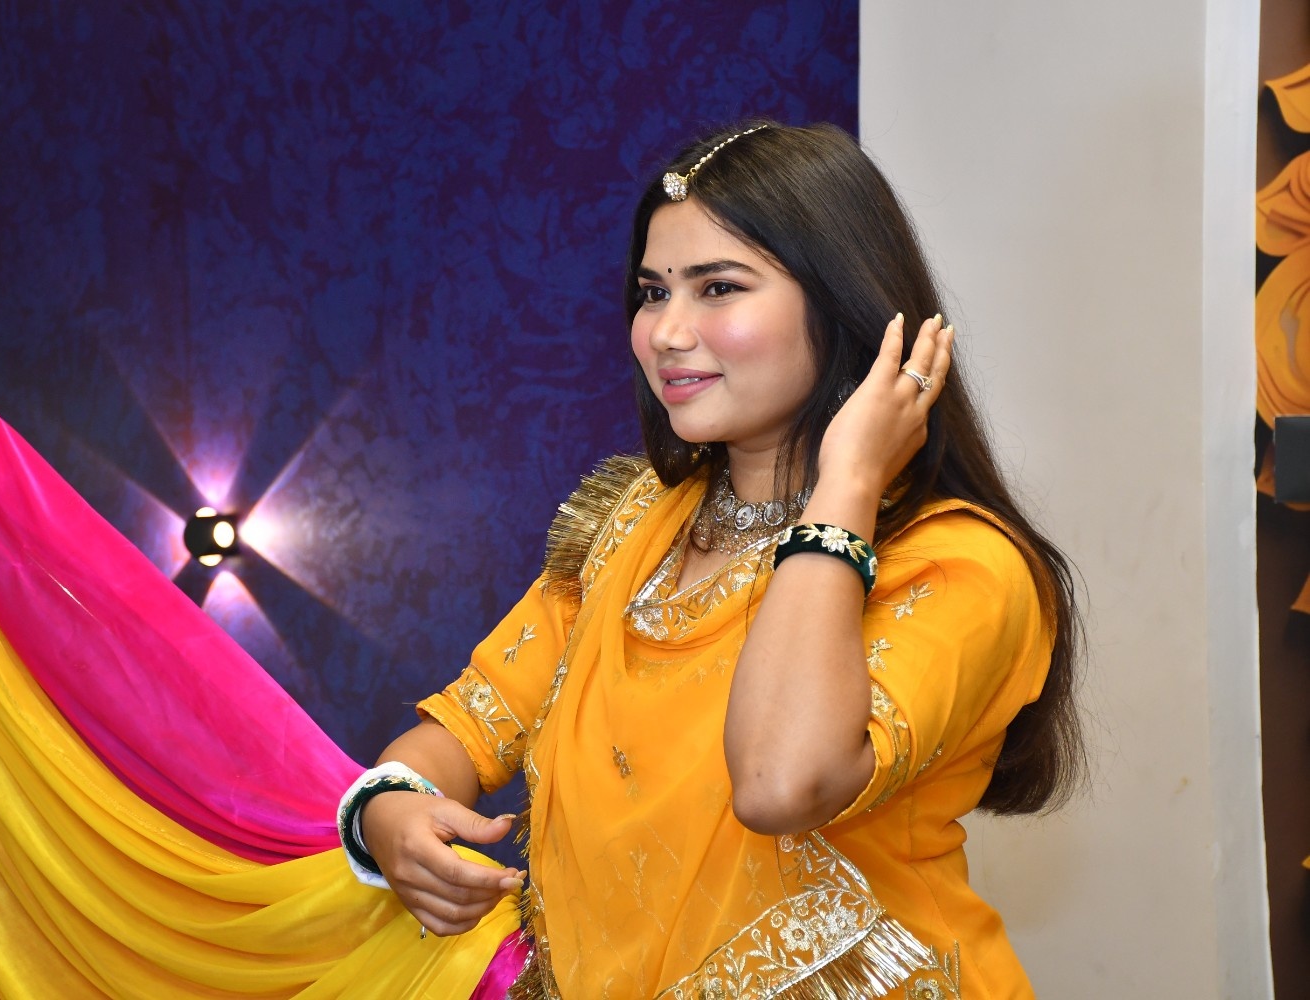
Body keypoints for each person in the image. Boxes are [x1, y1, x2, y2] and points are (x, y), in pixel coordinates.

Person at [339, 119, 1086, 1000]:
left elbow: (778, 783)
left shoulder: (957, 564)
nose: (666, 332)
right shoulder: (633, 527)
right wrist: (387, 810)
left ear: (841, 300)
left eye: (718, 288)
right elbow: (469, 726)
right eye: (653, 293)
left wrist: (846, 485)